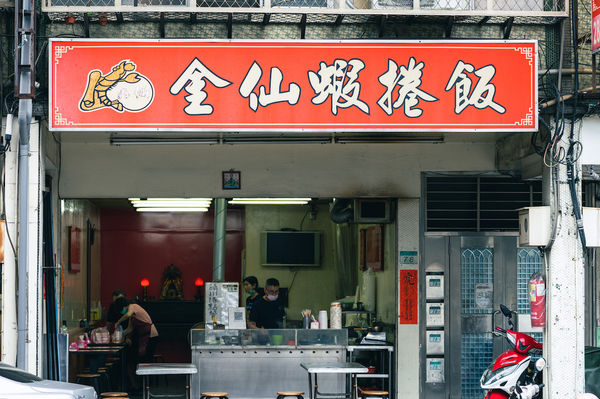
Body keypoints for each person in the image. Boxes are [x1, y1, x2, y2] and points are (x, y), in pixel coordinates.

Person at [114, 297, 158, 391]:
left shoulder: (133, 306)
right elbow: (130, 329)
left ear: (123, 306)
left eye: (121, 309)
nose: (122, 311)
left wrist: (118, 322)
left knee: (146, 360)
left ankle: (147, 386)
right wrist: (117, 334)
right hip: (143, 337)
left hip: (151, 336)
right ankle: (139, 386)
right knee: (138, 359)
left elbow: (128, 314)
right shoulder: (132, 316)